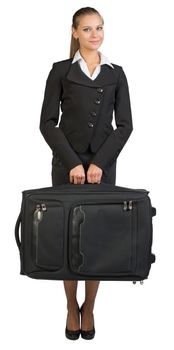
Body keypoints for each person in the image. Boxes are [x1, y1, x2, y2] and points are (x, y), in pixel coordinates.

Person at [39, 6, 133, 341]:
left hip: (102, 167)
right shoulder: (60, 71)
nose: (95, 35)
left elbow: (124, 126)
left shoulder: (116, 73)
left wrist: (99, 164)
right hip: (67, 165)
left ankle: (89, 308)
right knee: (68, 239)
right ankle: (69, 306)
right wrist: (73, 163)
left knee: (97, 242)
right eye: (88, 29)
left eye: (100, 28)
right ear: (74, 32)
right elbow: (47, 123)